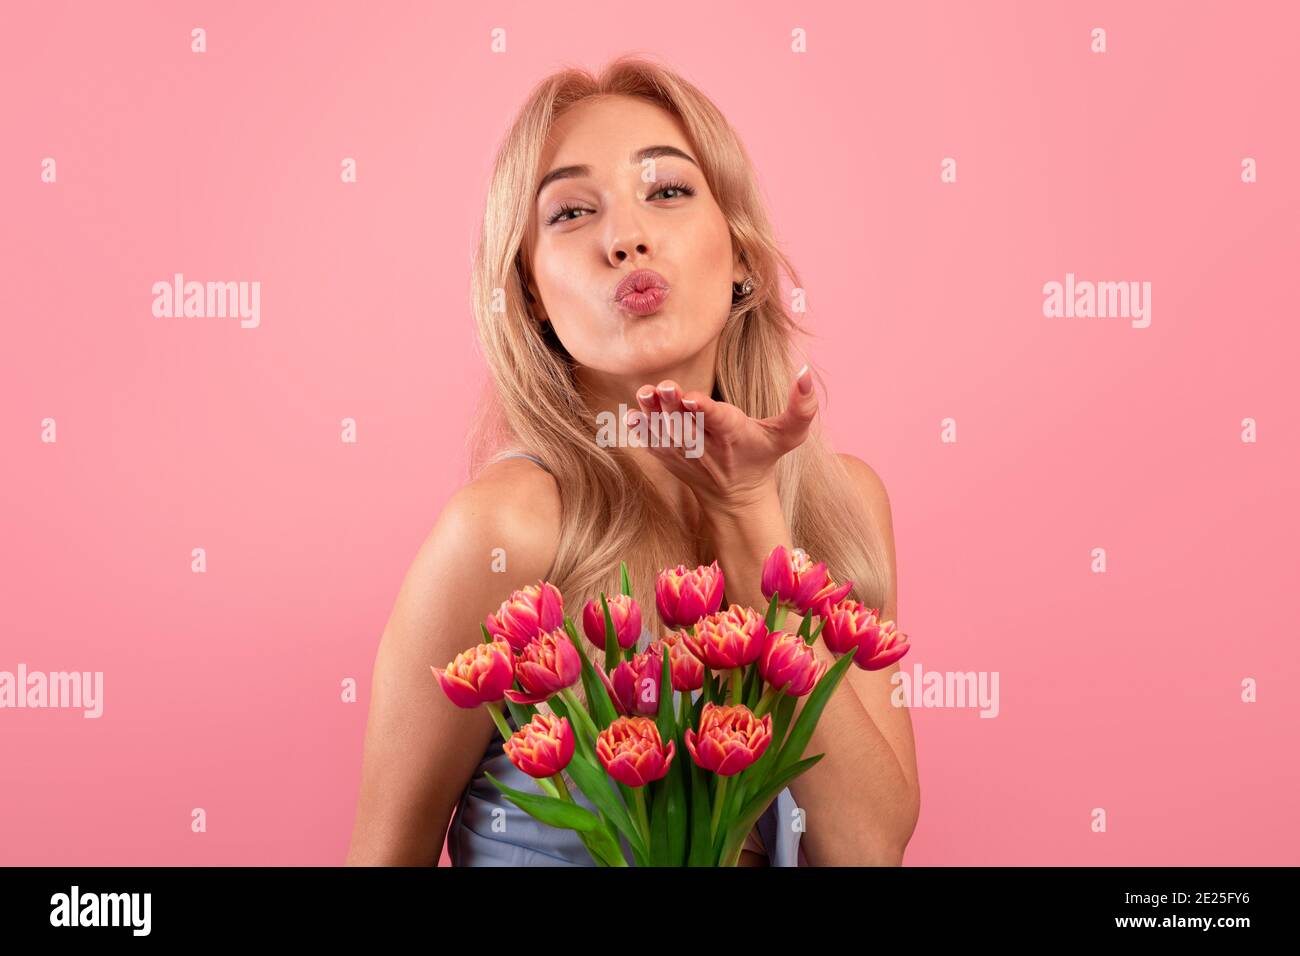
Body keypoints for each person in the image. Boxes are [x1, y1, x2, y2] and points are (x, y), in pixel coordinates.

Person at [346, 54, 919, 867]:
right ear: (532, 294)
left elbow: (866, 849)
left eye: (669, 192)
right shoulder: (502, 532)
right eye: (573, 213)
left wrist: (753, 520)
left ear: (744, 258)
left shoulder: (840, 505)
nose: (626, 237)